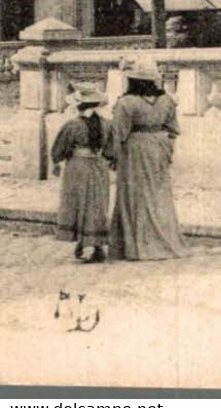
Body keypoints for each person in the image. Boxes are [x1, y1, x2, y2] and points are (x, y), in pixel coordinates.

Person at [107, 61, 186, 261]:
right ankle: (163, 239)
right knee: (158, 193)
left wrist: (113, 156)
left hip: (135, 148)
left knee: (135, 193)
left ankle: (136, 244)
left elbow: (119, 133)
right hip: (159, 147)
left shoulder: (126, 103)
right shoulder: (167, 101)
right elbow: (173, 129)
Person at [52, 86, 110, 263]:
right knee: (97, 204)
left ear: (78, 106)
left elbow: (60, 150)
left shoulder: (72, 125)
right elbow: (112, 150)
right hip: (99, 167)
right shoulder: (107, 124)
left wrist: (57, 160)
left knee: (78, 202)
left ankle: (81, 241)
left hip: (77, 167)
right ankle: (96, 245)